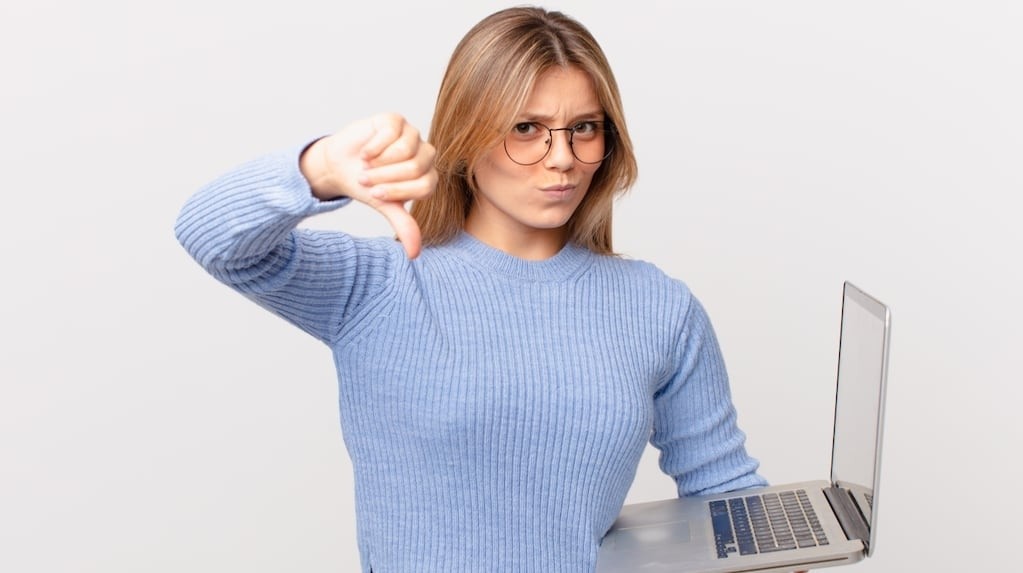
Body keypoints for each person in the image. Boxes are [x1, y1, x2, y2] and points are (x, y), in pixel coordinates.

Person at [175, 6, 768, 572]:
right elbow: (208, 235)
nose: (562, 158)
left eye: (584, 128)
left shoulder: (659, 308)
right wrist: (321, 167)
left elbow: (724, 494)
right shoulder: (380, 284)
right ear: (468, 135)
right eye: (526, 128)